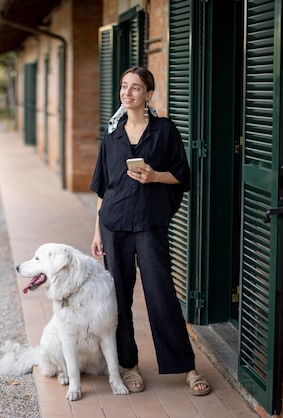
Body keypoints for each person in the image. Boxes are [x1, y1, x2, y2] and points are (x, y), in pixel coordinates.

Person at [90, 66, 210, 396]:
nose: (127, 93)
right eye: (124, 86)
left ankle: (186, 366)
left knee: (161, 295)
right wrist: (97, 232)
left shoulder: (165, 130)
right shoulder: (112, 134)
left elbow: (182, 176)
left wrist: (155, 176)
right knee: (119, 297)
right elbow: (103, 187)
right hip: (113, 224)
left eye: (136, 88)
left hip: (149, 224)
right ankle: (128, 365)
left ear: (148, 95)